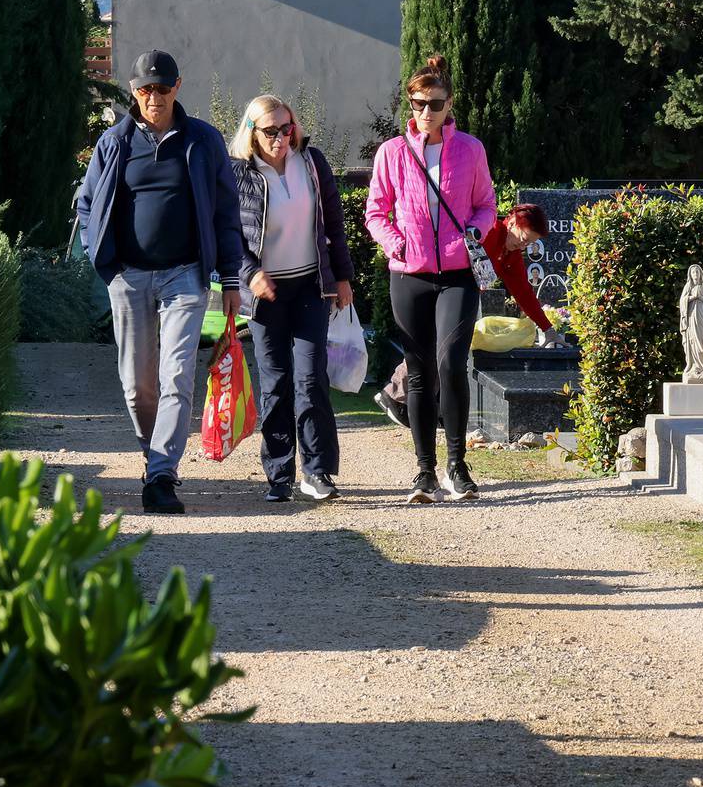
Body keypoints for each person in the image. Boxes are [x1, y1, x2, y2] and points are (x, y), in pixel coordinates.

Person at [75, 49, 242, 515]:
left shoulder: (203, 141)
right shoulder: (115, 142)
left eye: (162, 88)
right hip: (127, 277)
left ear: (177, 87)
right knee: (136, 386)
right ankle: (154, 457)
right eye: (146, 89)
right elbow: (87, 205)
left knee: (176, 377)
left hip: (185, 276)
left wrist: (231, 278)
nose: (154, 97)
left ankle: (163, 473)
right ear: (134, 91)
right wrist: (101, 260)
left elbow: (226, 214)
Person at [365, 54, 498, 504]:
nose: (426, 113)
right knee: (419, 372)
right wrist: (394, 243)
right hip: (410, 273)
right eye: (419, 104)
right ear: (411, 104)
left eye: (435, 104)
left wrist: (473, 234)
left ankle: (457, 466)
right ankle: (424, 473)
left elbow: (485, 204)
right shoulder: (392, 152)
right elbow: (375, 211)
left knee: (450, 363)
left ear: (449, 104)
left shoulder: (471, 150)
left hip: (458, 273)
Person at [231, 94, 355, 504]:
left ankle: (317, 471)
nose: (281, 138)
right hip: (266, 296)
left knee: (311, 378)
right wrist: (250, 275)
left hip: (309, 287)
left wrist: (342, 277)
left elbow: (334, 223)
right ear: (252, 132)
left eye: (287, 128)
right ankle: (278, 473)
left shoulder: (312, 163)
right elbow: (229, 236)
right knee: (276, 382)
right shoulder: (239, 174)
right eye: (271, 131)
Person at [371, 203, 567, 430]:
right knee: (435, 346)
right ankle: (394, 396)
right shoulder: (489, 231)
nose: (524, 245)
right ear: (511, 221)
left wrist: (548, 329)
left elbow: (523, 291)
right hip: (447, 291)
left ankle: (433, 406)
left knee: (447, 351)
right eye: (523, 238)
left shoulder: (510, 253)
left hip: (464, 298)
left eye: (529, 243)